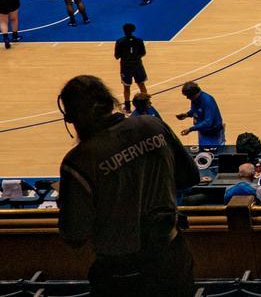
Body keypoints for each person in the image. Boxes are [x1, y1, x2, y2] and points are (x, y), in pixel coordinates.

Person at [56, 75, 198, 297]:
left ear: (72, 117)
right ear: (109, 101)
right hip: (172, 257)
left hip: (121, 273)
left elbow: (74, 235)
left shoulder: (78, 162)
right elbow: (189, 177)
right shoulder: (153, 125)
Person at [175, 82, 225, 147]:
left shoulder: (208, 101)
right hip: (203, 132)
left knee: (213, 154)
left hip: (213, 134)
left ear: (194, 94)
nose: (187, 98)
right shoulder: (194, 99)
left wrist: (190, 129)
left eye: (188, 96)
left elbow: (208, 122)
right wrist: (186, 114)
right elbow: (195, 111)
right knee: (203, 151)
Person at [115, 23, 148, 112]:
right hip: (137, 65)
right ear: (133, 30)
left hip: (126, 67)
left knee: (126, 87)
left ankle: (128, 107)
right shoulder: (139, 41)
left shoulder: (120, 41)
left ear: (124, 31)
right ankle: (146, 104)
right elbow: (143, 53)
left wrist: (125, 56)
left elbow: (117, 56)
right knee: (141, 85)